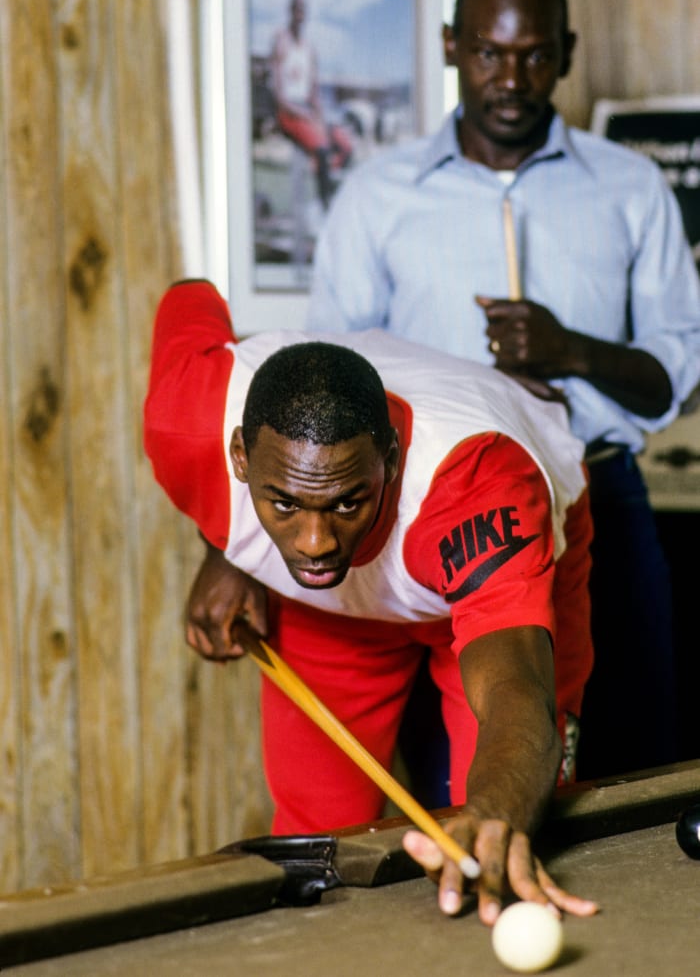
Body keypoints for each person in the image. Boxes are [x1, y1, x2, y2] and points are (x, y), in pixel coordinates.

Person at [307, 0, 700, 780]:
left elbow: (671, 381)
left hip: (602, 498)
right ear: (452, 46)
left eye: (535, 55)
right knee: (458, 763)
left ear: (567, 52)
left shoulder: (633, 188)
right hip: (442, 519)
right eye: (489, 52)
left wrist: (571, 351)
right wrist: (480, 398)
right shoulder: (377, 198)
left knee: (636, 752)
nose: (512, 78)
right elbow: (334, 381)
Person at [144, 278, 599, 925]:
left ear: (389, 457)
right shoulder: (186, 419)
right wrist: (226, 550)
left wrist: (495, 813)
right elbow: (189, 293)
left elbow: (516, 694)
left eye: (346, 502)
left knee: (508, 826)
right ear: (239, 458)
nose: (315, 542)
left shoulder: (477, 485)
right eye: (283, 504)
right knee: (317, 824)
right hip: (327, 619)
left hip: (474, 575)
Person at [270, 0, 353, 209]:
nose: (300, 13)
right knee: (322, 146)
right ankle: (325, 203)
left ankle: (328, 186)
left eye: (303, 9)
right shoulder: (281, 41)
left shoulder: (309, 48)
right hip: (289, 111)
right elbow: (278, 94)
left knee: (344, 144)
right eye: (296, 8)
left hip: (306, 110)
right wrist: (304, 114)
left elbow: (313, 91)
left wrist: (320, 116)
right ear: (290, 10)